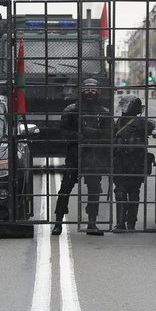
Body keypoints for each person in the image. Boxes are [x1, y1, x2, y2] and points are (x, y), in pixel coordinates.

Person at [52, 78, 113, 236]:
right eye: (87, 89)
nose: (90, 93)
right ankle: (58, 222)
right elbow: (62, 132)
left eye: (93, 90)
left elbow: (109, 135)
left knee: (94, 190)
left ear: (98, 92)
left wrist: (94, 134)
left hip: (94, 156)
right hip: (75, 155)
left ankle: (91, 223)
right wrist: (77, 136)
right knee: (65, 188)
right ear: (81, 92)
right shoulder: (71, 110)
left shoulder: (104, 112)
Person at [112, 94, 154, 231]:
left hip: (136, 163)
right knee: (120, 192)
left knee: (133, 193)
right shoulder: (119, 122)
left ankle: (130, 223)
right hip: (120, 162)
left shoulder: (141, 123)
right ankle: (120, 223)